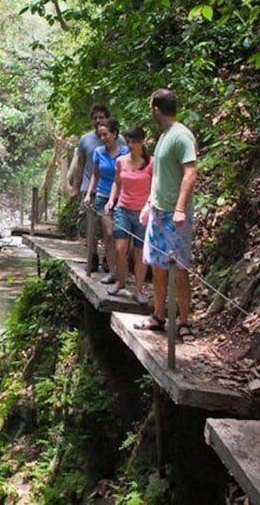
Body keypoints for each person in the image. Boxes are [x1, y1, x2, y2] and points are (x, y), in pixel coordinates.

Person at [135, 88, 197, 341]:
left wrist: (180, 208)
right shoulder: (163, 136)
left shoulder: (182, 136)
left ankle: (185, 321)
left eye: (152, 108)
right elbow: (160, 175)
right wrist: (149, 202)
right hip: (158, 212)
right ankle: (159, 315)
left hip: (174, 214)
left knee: (179, 269)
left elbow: (191, 172)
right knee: (157, 266)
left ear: (156, 109)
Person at [107, 126, 153, 302]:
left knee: (140, 252)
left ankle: (139, 289)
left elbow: (155, 188)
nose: (131, 145)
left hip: (142, 212)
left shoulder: (151, 163)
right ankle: (121, 281)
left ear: (142, 142)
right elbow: (117, 183)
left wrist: (149, 205)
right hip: (123, 209)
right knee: (120, 248)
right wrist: (112, 200)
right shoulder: (121, 161)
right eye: (128, 142)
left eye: (134, 142)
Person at [84, 118, 129, 284]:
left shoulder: (126, 152)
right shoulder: (98, 152)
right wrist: (89, 194)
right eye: (100, 135)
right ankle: (112, 270)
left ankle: (121, 269)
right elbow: (95, 174)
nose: (103, 138)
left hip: (122, 197)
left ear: (114, 134)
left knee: (122, 237)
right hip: (103, 196)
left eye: (106, 134)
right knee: (109, 234)